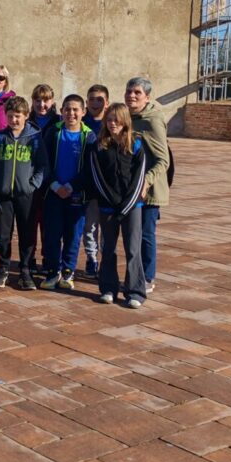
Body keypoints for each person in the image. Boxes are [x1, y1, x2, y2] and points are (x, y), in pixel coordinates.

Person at [86, 103, 148, 308]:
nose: (112, 124)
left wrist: (127, 203)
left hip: (132, 207)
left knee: (132, 248)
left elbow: (139, 177)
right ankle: (108, 288)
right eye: (109, 120)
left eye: (116, 120)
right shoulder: (99, 145)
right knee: (108, 248)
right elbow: (96, 176)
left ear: (125, 121)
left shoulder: (136, 144)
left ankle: (135, 291)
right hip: (107, 206)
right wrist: (111, 200)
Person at [0, 96, 47, 290]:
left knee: (27, 233)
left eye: (18, 116)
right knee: (2, 234)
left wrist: (32, 185)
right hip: (3, 195)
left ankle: (25, 270)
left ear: (26, 116)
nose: (14, 120)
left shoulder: (35, 138)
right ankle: (2, 269)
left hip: (26, 194)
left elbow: (43, 165)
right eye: (10, 116)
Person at [40, 94, 96, 291]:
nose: (71, 113)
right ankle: (52, 271)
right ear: (61, 111)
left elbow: (89, 169)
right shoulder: (53, 133)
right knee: (52, 234)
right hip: (53, 193)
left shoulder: (89, 136)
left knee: (73, 235)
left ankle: (67, 272)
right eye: (67, 109)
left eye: (75, 110)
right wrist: (54, 185)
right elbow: (43, 162)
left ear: (83, 112)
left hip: (76, 194)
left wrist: (72, 187)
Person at [125, 77, 169, 292]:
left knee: (145, 234)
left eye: (137, 93)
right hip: (131, 187)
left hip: (148, 190)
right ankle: (134, 273)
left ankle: (148, 276)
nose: (131, 96)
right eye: (129, 91)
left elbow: (164, 159)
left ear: (147, 97)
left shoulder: (152, 120)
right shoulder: (127, 118)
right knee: (133, 233)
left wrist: (147, 182)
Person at [81, 84, 110, 279]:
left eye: (99, 99)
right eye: (91, 99)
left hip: (107, 187)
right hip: (89, 185)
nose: (95, 103)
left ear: (107, 102)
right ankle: (92, 259)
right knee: (89, 225)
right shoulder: (81, 122)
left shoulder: (112, 123)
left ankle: (106, 259)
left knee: (107, 227)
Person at [29, 83, 59, 272]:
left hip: (51, 179)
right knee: (30, 221)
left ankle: (48, 259)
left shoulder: (58, 122)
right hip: (30, 179)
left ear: (52, 101)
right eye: (38, 100)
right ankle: (29, 258)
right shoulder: (27, 121)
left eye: (46, 100)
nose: (42, 104)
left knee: (49, 223)